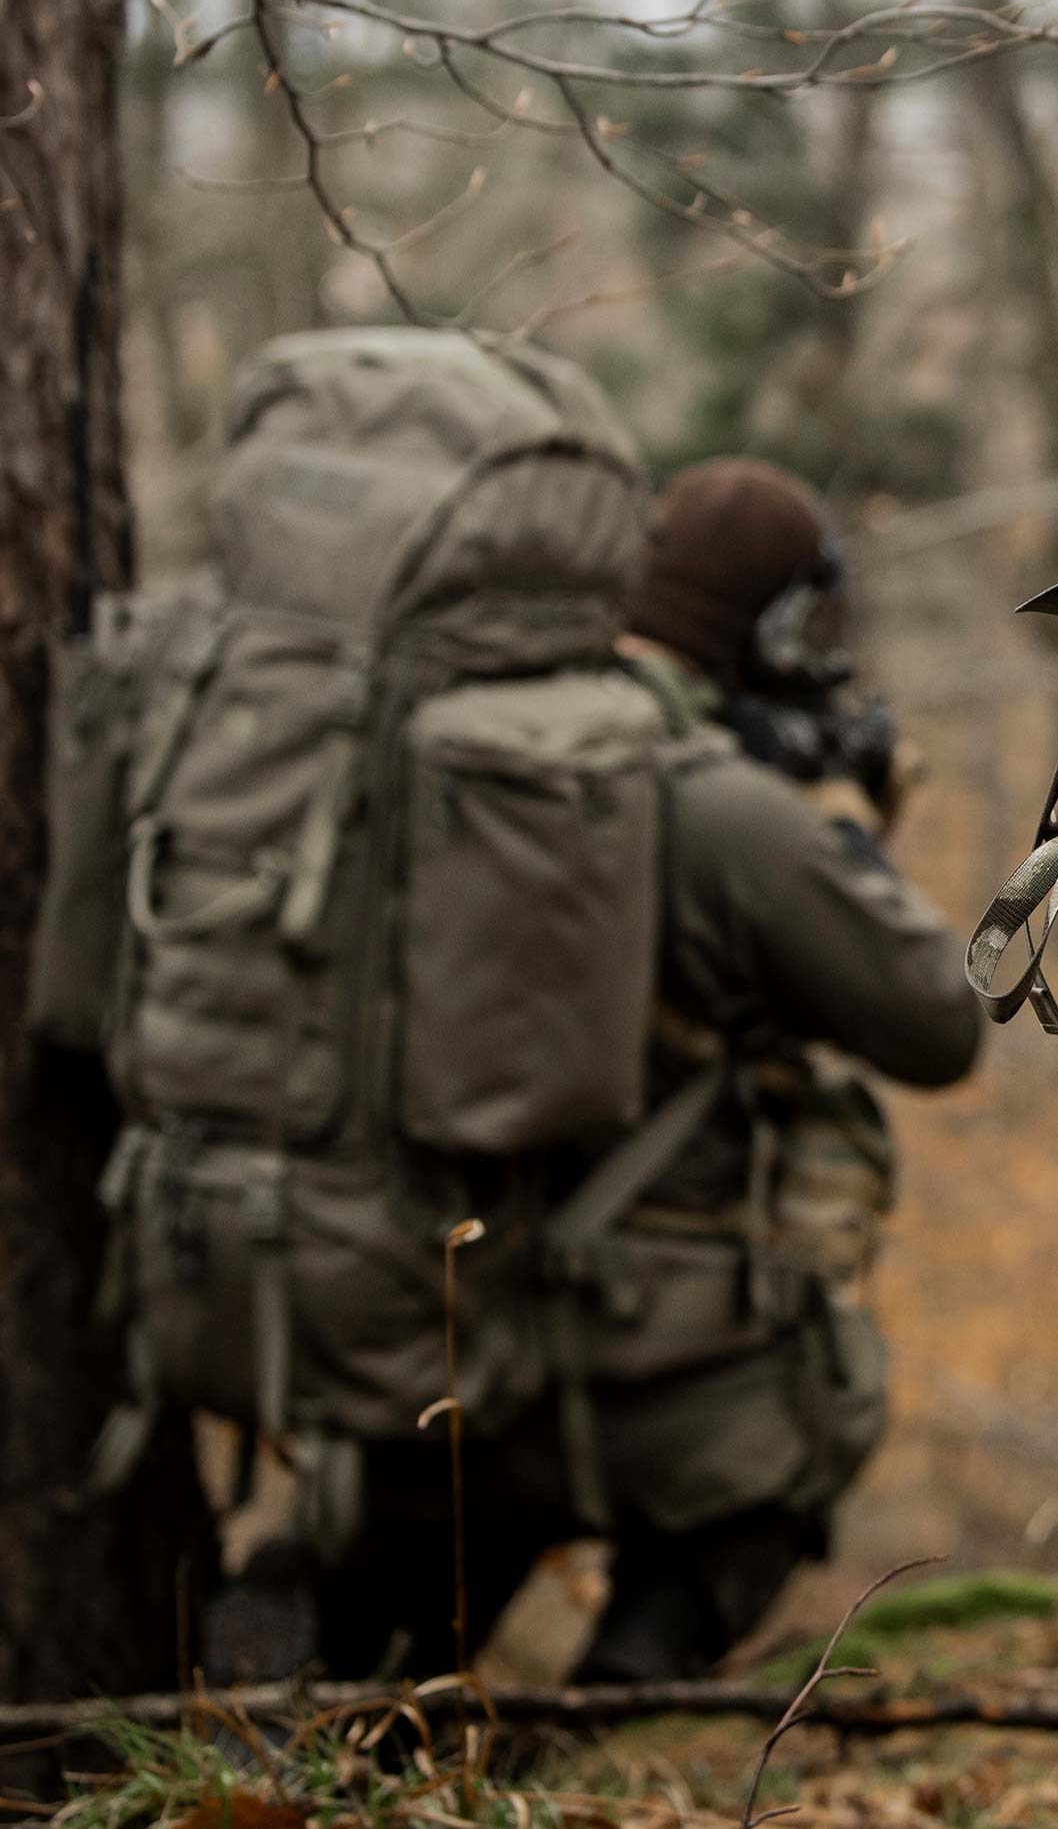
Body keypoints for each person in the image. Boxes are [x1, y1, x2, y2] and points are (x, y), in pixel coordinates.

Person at [311, 458, 982, 1684]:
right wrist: (838, 832)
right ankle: (629, 1694)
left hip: (423, 1343)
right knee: (802, 1432)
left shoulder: (435, 768)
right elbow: (942, 1025)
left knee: (359, 1674)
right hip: (666, 1378)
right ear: (768, 627)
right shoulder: (733, 814)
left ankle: (314, 1684)